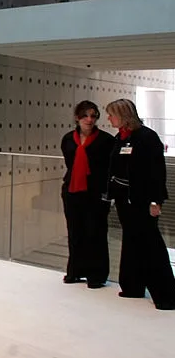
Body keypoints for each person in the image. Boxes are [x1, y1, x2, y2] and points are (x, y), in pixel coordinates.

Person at [105, 99, 175, 310]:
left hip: (142, 201)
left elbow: (156, 173)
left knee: (150, 246)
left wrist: (155, 201)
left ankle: (166, 295)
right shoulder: (121, 137)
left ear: (123, 115)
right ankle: (132, 286)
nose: (109, 118)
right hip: (125, 200)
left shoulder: (147, 137)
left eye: (111, 114)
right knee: (132, 243)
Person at [60, 101, 114, 288]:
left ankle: (96, 276)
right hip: (72, 192)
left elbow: (110, 169)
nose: (89, 119)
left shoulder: (106, 140)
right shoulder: (68, 139)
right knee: (75, 232)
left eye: (93, 115)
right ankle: (75, 272)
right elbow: (70, 164)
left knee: (96, 233)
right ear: (77, 118)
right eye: (85, 116)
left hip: (96, 193)